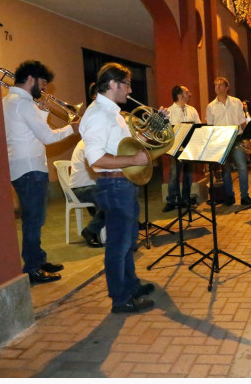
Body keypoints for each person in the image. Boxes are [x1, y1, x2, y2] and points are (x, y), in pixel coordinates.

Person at [80, 62, 159, 313]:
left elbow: (126, 144)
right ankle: (120, 299)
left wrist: (155, 124)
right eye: (126, 83)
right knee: (118, 244)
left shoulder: (113, 113)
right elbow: (95, 159)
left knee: (128, 241)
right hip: (113, 184)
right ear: (113, 84)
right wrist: (133, 161)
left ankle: (131, 286)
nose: (129, 88)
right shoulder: (97, 115)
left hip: (123, 183)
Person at [3, 60, 80, 284]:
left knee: (34, 218)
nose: (44, 89)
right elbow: (47, 137)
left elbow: (28, 132)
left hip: (23, 167)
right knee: (34, 220)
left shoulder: (11, 101)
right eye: (42, 83)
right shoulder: (23, 103)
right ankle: (33, 268)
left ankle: (37, 259)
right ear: (31, 79)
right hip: (30, 169)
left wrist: (43, 115)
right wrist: (72, 128)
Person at [206, 77, 251, 206]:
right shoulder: (210, 106)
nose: (217, 87)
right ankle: (229, 196)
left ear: (227, 88)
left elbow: (242, 121)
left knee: (242, 168)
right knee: (225, 170)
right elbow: (210, 126)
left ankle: (244, 196)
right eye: (215, 85)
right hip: (221, 141)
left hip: (237, 138)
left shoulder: (236, 102)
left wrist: (247, 139)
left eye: (220, 85)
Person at [163, 85, 201, 212]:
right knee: (174, 173)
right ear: (180, 96)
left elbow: (199, 126)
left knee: (188, 174)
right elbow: (166, 132)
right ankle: (172, 200)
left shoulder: (192, 110)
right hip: (175, 147)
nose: (189, 94)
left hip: (189, 147)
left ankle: (185, 199)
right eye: (186, 92)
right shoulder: (169, 111)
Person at [70, 140, 105, 247]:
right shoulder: (88, 144)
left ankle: (130, 224)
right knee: (110, 197)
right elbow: (98, 170)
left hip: (91, 186)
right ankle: (90, 230)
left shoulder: (92, 141)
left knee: (117, 192)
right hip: (81, 189)